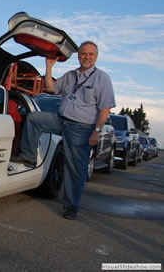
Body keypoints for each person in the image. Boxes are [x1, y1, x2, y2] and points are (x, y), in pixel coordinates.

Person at [12, 41, 116, 220]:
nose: (87, 57)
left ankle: (71, 207)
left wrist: (97, 131)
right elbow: (50, 88)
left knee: (75, 169)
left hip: (82, 129)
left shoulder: (102, 78)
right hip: (61, 121)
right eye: (84, 54)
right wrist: (49, 67)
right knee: (34, 119)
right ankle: (29, 155)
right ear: (78, 55)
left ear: (96, 57)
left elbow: (105, 108)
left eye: (91, 54)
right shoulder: (70, 75)